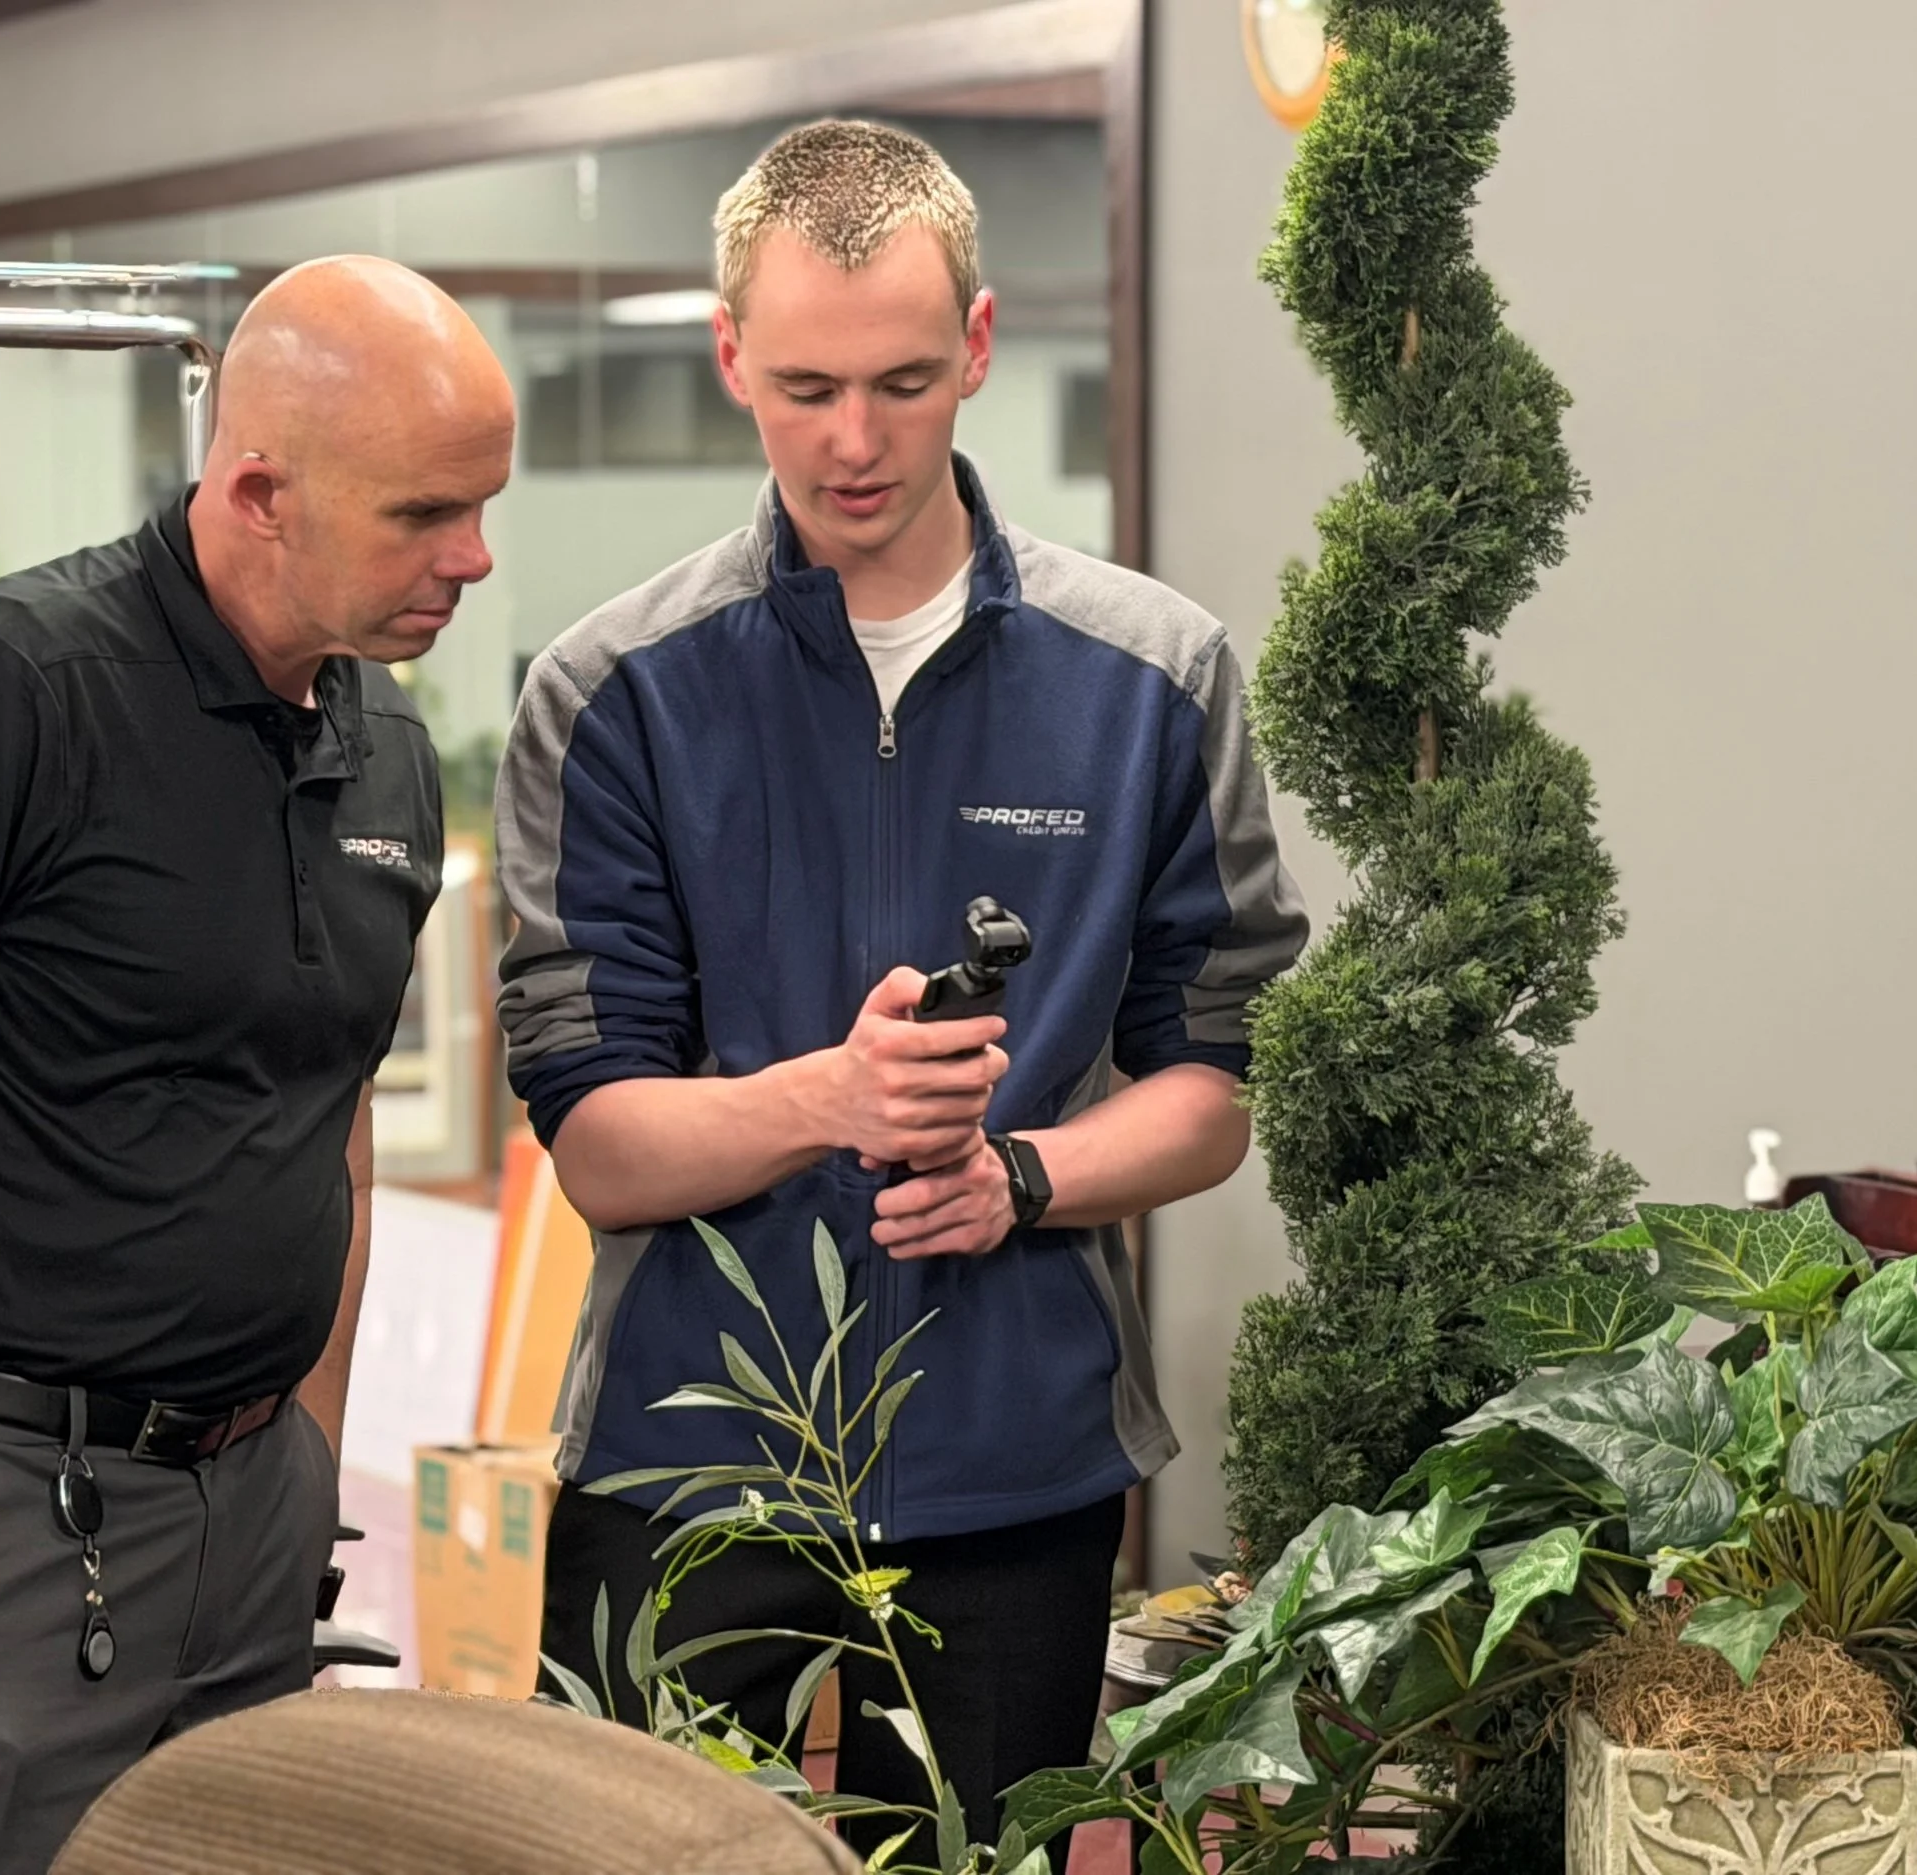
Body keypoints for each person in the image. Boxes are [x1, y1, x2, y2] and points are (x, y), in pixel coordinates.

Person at [495, 120, 1310, 1852]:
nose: (853, 441)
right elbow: (602, 1148)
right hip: (684, 1464)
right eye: (804, 388)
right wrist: (829, 1099)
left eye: (902, 382)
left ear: (982, 345)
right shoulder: (611, 693)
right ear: (730, 353)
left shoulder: (1153, 679)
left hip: (1015, 1465)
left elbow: (1216, 1085)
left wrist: (1023, 1174)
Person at [0, 256, 514, 1875]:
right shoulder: (8, 692)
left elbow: (329, 1119)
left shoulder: (388, 752)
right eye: (424, 514)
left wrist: (306, 1456)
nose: (473, 557)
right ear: (260, 492)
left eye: (482, 506)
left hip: (248, 1514)